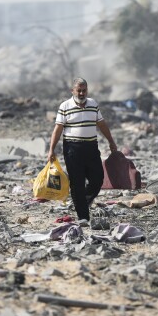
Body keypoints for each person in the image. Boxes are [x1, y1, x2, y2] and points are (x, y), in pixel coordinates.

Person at [47, 78, 117, 226]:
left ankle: (82, 200)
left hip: (91, 147)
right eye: (78, 90)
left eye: (84, 90)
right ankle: (83, 217)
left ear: (87, 90)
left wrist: (111, 141)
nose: (81, 93)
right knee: (77, 182)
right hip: (73, 148)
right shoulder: (65, 106)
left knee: (97, 179)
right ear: (72, 91)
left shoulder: (93, 104)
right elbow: (57, 129)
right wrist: (51, 149)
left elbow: (102, 124)